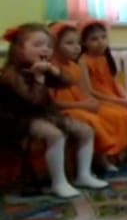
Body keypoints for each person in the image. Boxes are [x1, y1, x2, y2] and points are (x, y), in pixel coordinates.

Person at [0, 24, 106, 197]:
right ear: (19, 49)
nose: (45, 49)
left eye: (49, 46)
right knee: (54, 135)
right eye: (38, 45)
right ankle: (59, 182)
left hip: (44, 115)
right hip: (20, 120)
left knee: (86, 130)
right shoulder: (10, 75)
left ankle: (83, 175)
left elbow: (67, 82)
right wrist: (39, 78)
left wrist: (54, 71)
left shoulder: (41, 67)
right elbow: (32, 101)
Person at [50, 21, 127, 169]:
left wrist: (90, 103)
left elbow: (84, 92)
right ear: (54, 45)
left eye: (77, 42)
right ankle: (103, 160)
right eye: (69, 43)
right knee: (100, 118)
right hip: (65, 109)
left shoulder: (73, 66)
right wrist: (85, 104)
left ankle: (117, 154)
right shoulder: (52, 69)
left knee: (116, 112)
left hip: (80, 104)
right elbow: (52, 102)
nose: (76, 47)